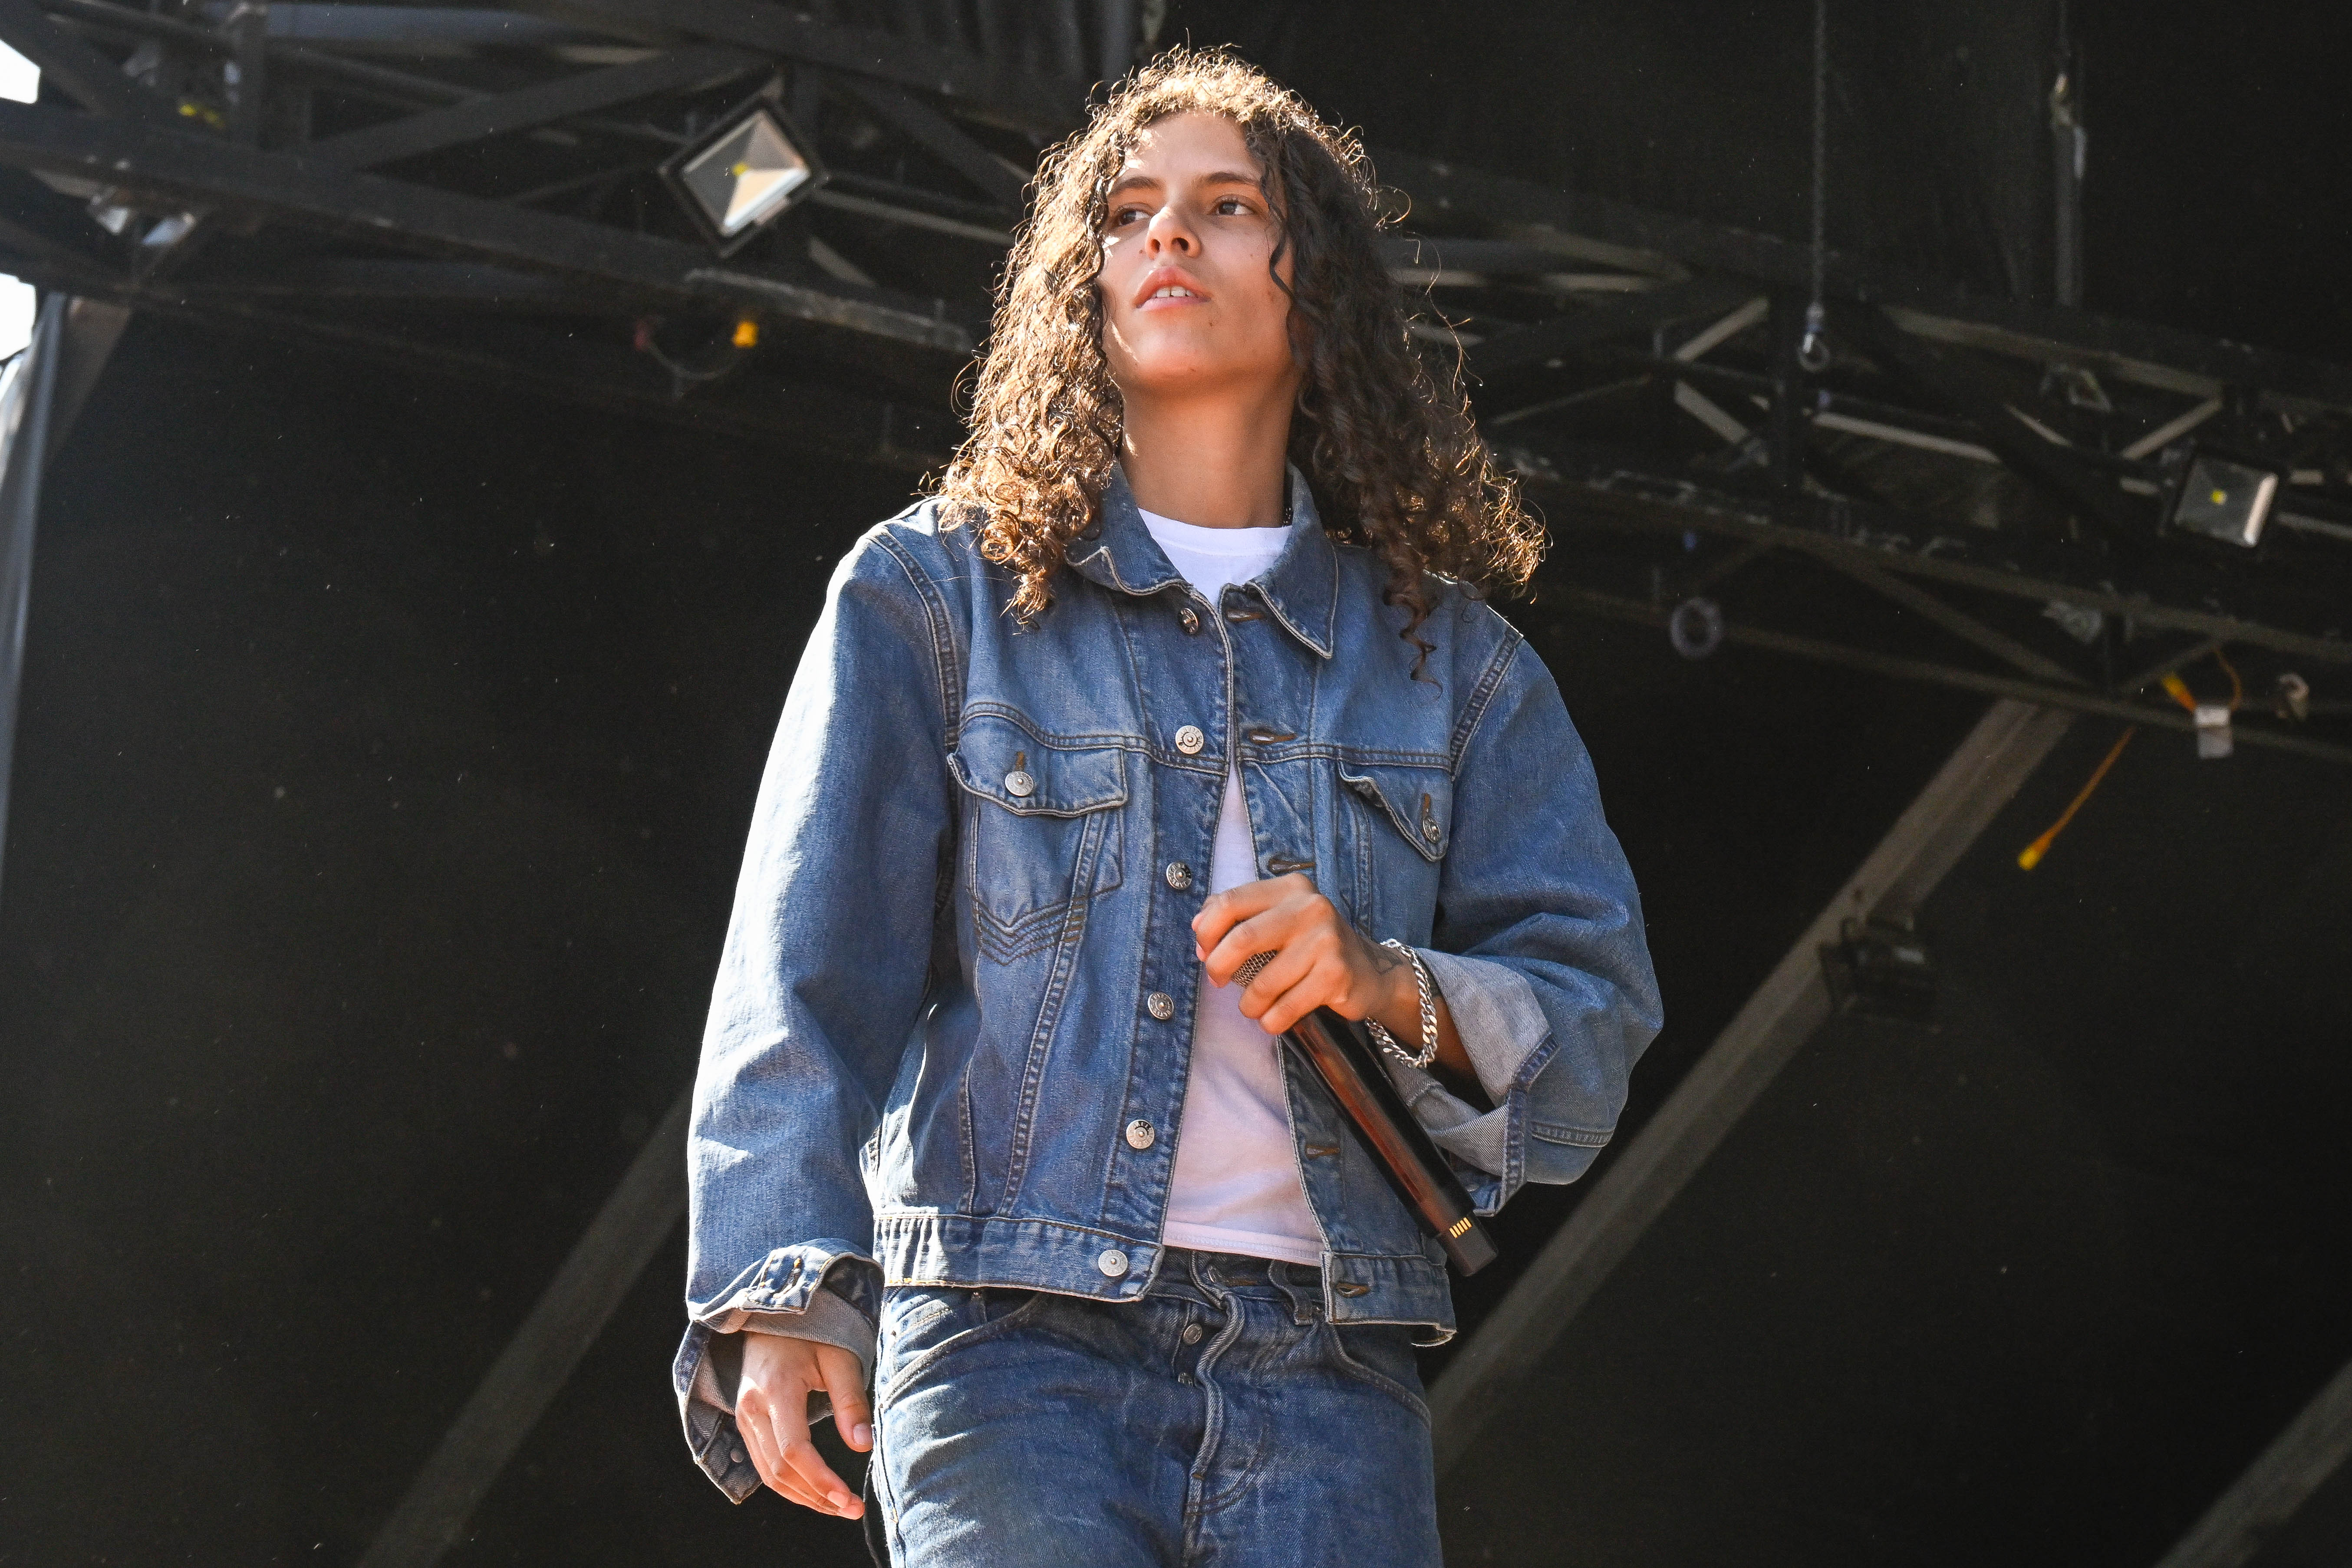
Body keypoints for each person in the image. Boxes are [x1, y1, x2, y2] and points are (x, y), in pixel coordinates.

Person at [673, 46, 1662, 1568]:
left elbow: (1589, 1022)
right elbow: (803, 972)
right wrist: (781, 1283)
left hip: (1331, 1373)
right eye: (1125, 211)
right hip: (1013, 1348)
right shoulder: (936, 596)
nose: (1165, 237)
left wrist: (1385, 980)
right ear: (1081, 280)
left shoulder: (1455, 667)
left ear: (1312, 274)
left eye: (1222, 205)